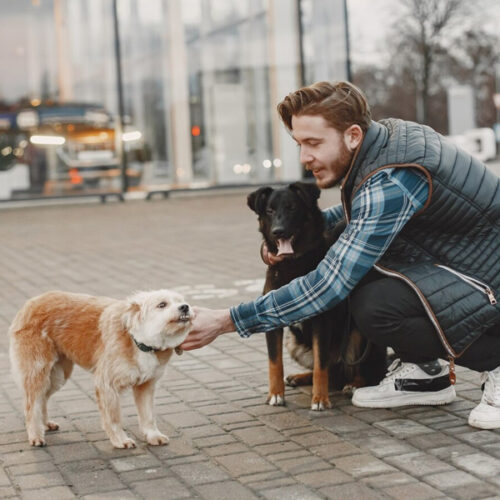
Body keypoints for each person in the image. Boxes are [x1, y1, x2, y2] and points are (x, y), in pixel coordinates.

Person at [181, 81, 500, 430]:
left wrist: (228, 320)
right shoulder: (385, 142)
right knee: (370, 281)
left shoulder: (391, 178)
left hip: (487, 281)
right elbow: (357, 216)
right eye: (299, 144)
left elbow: (329, 284)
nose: (304, 157)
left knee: (372, 303)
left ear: (351, 135)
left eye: (314, 143)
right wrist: (293, 238)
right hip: (466, 266)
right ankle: (425, 372)